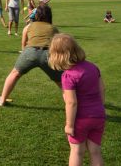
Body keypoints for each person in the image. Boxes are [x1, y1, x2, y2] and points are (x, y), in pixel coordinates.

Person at [48, 34, 105, 166]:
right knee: (95, 151)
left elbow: (71, 102)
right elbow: (102, 89)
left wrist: (69, 125)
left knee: (77, 151)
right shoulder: (93, 67)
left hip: (81, 119)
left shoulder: (68, 75)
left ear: (57, 55)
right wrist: (98, 108)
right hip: (98, 115)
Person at [0, 5, 62, 106]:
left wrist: (25, 58)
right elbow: (57, 46)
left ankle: (2, 99)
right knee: (61, 81)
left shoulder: (28, 27)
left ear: (36, 14)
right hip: (48, 54)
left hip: (30, 51)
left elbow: (23, 45)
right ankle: (73, 102)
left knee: (14, 74)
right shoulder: (54, 29)